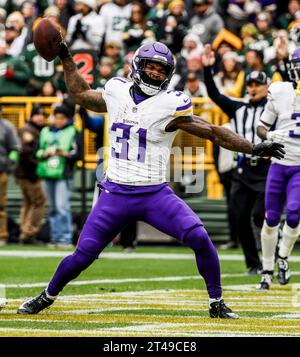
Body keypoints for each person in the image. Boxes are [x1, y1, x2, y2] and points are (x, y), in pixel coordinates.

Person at [17, 40, 284, 318]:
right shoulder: (116, 91)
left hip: (154, 194)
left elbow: (213, 132)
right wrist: (65, 55)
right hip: (115, 194)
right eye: (151, 67)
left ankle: (216, 303)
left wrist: (252, 147)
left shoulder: (170, 104)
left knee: (200, 238)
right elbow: (81, 93)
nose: (156, 74)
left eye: (161, 70)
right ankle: (46, 296)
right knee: (82, 256)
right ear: (138, 66)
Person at [202, 44, 271, 275]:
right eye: (250, 85)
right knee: (240, 218)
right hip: (242, 170)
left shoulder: (274, 108)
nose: (253, 89)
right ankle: (253, 263)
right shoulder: (239, 107)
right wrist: (207, 69)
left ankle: (274, 257)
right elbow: (214, 95)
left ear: (266, 87)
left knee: (259, 216)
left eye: (257, 85)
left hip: (266, 168)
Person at [256, 48, 300, 290]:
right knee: (271, 217)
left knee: (294, 214)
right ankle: (266, 270)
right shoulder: (281, 90)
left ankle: (282, 256)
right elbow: (261, 126)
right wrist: (270, 135)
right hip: (279, 163)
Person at [36, 104, 82, 248]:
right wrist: (44, 153)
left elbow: (77, 154)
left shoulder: (73, 131)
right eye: (56, 117)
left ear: (67, 118)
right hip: (47, 171)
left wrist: (63, 153)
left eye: (62, 118)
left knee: (62, 207)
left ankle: (65, 238)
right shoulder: (45, 131)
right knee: (53, 208)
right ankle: (55, 237)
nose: (59, 121)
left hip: (63, 172)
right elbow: (37, 151)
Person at [15, 105, 47, 244]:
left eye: (43, 115)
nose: (41, 117)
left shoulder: (33, 129)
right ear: (32, 116)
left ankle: (24, 232)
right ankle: (29, 233)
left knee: (28, 203)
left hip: (23, 172)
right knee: (39, 202)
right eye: (38, 114)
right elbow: (24, 154)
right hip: (28, 172)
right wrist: (32, 171)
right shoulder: (27, 130)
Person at [0, 105, 21, 245]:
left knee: (0, 205)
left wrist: (10, 165)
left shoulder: (6, 127)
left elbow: (15, 148)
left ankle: (2, 235)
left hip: (1, 170)